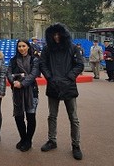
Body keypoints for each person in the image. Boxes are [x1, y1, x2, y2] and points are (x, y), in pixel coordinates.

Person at [40, 23, 84, 160]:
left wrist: (70, 77)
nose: (56, 37)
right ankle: (52, 141)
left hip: (69, 85)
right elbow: (43, 64)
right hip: (53, 84)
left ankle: (76, 145)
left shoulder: (73, 48)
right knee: (52, 116)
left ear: (63, 34)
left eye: (58, 34)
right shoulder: (47, 49)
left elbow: (80, 64)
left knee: (74, 118)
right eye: (54, 34)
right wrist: (49, 77)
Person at [7, 39, 40, 152]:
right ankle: (23, 138)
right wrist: (13, 82)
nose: (21, 48)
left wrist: (22, 83)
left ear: (28, 47)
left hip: (32, 92)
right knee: (19, 116)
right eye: (19, 46)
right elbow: (8, 72)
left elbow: (34, 74)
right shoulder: (13, 60)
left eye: (23, 46)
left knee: (30, 116)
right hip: (17, 92)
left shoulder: (34, 60)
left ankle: (28, 140)